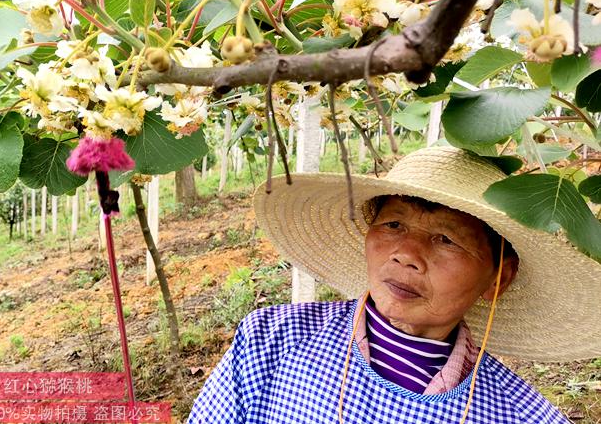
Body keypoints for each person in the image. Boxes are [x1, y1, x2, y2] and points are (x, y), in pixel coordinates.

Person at [187, 146, 601, 423]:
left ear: (498, 278)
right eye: (394, 224)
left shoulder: (521, 416)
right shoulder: (271, 342)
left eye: (446, 238)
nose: (406, 254)